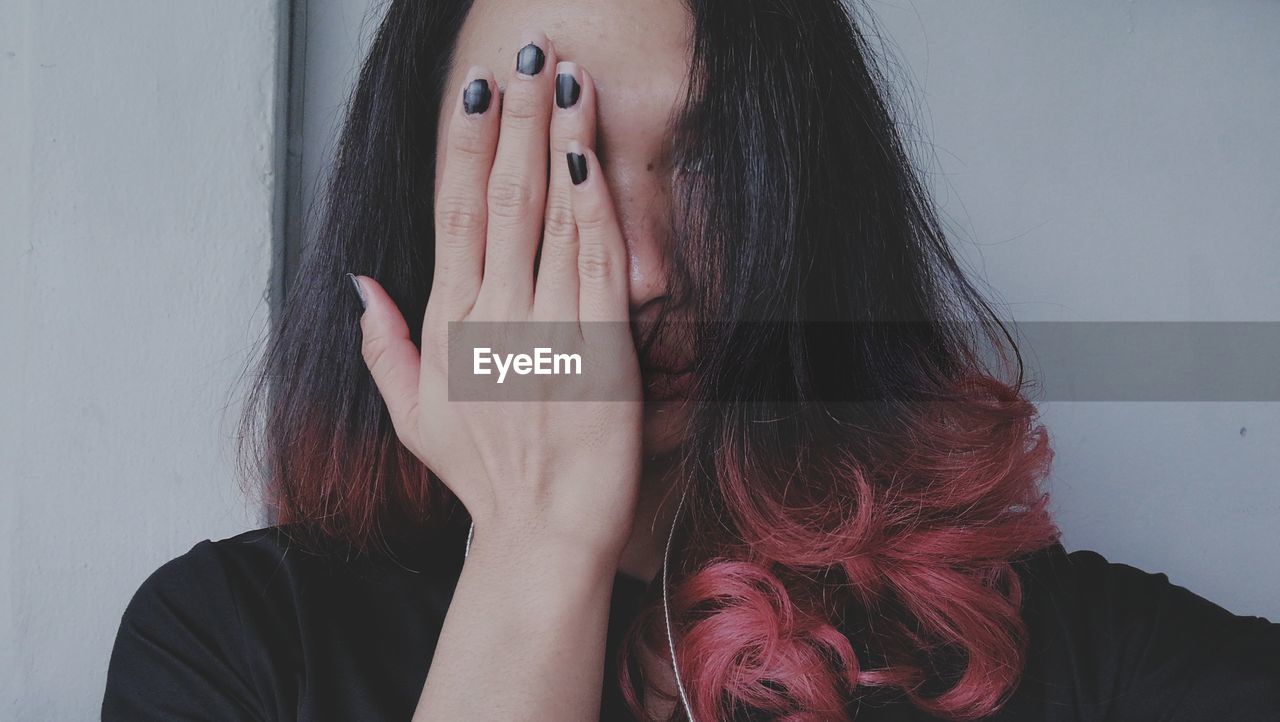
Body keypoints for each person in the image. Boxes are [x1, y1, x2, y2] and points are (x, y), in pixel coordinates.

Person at [102, 1, 1280, 720]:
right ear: (424, 218)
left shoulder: (1038, 648)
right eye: (546, 150)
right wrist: (537, 539)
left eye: (707, 160)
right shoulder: (232, 644)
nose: (640, 269)